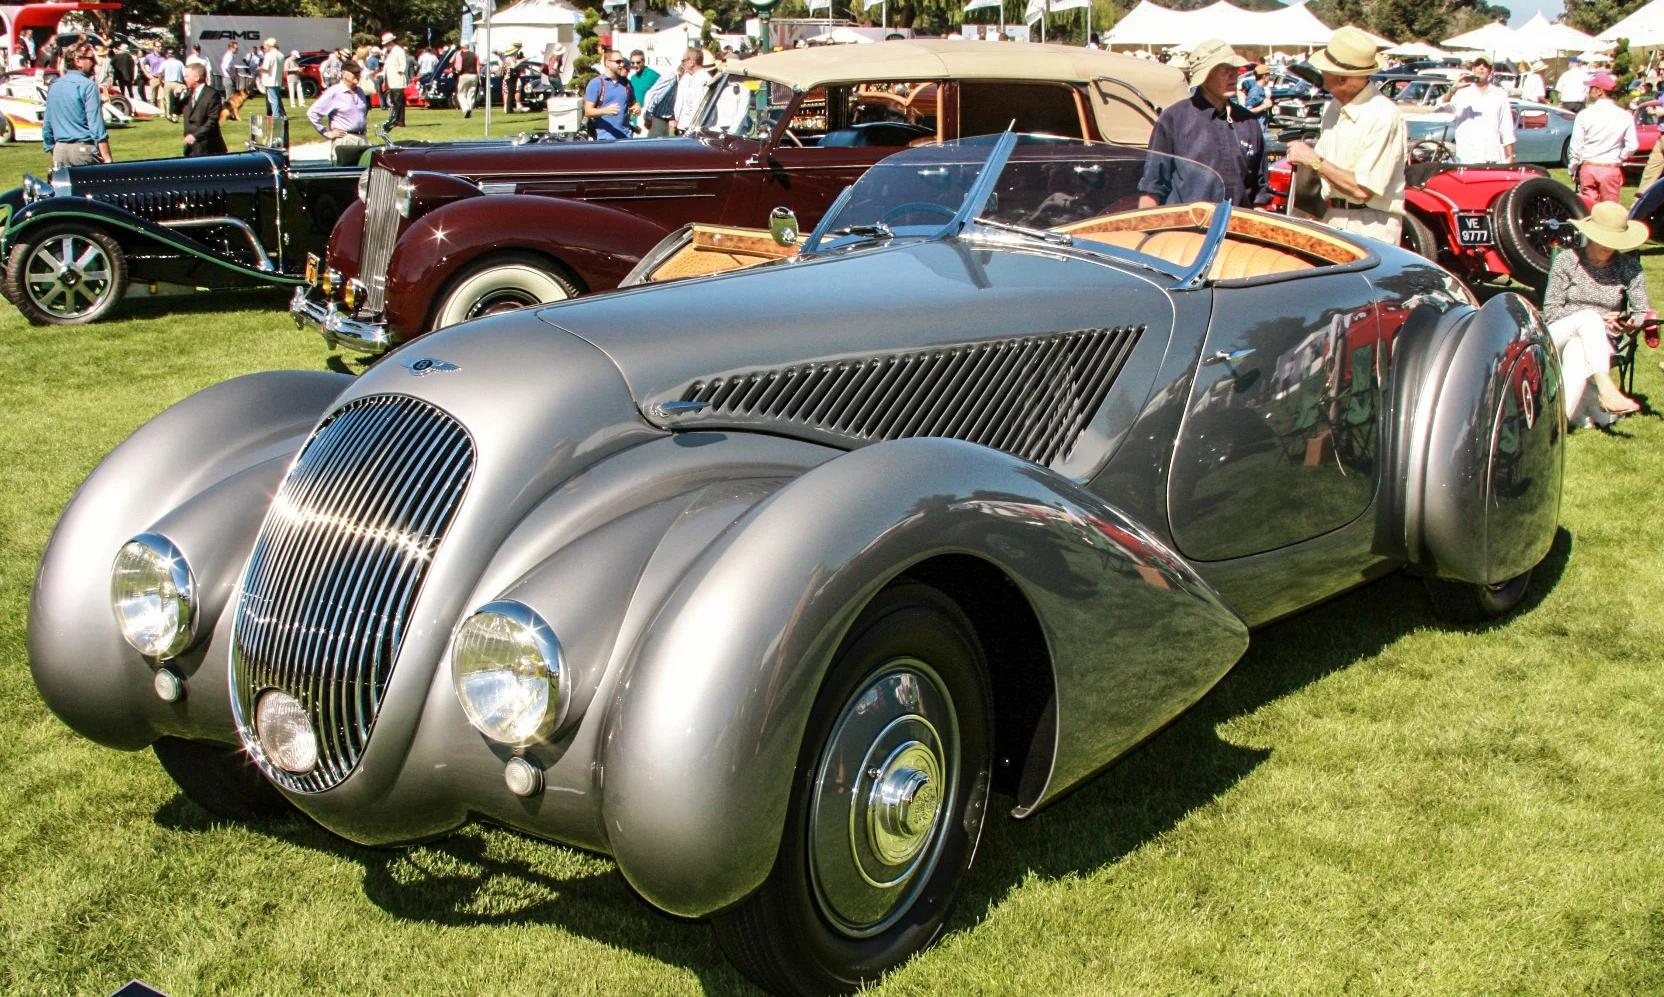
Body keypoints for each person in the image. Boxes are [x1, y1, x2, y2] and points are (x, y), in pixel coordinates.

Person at [1283, 26, 1407, 244]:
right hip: (1331, 217)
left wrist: (1311, 159)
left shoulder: (1383, 115)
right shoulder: (1334, 108)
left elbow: (1362, 190)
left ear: (1342, 80)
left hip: (1370, 225)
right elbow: (1326, 173)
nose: (1321, 74)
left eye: (1326, 70)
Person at [1540, 201, 1648, 423]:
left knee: (1577, 350)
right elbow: (1551, 312)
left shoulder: (1628, 267)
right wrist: (1596, 319)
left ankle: (1560, 421)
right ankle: (1606, 389)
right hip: (1560, 332)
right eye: (1604, 239)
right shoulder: (1567, 261)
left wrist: (1629, 323)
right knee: (1589, 319)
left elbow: (1642, 312)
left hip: (1603, 340)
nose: (1609, 246)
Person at [1138, 39, 1268, 209]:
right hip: (1187, 224)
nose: (1233, 75)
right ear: (1205, 77)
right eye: (1224, 69)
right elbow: (1152, 187)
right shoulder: (1174, 119)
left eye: (1234, 68)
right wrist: (1147, 225)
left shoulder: (1248, 122)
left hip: (1237, 223)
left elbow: (1259, 193)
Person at [1568, 72, 1636, 207]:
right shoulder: (1624, 116)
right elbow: (1632, 145)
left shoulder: (1584, 115)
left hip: (1589, 166)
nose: (1588, 91)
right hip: (1610, 167)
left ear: (1599, 91)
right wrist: (1619, 157)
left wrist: (1573, 168)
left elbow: (1576, 147)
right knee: (1610, 209)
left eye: (1591, 88)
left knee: (1588, 208)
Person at [1434, 57, 1514, 164]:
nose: (1481, 67)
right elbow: (1439, 107)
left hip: (1492, 157)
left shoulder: (1500, 94)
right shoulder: (1461, 93)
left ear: (1490, 71)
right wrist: (1452, 90)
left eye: (1485, 65)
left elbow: (1507, 127)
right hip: (1466, 157)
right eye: (1478, 65)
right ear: (1473, 69)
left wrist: (1510, 155)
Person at [42, 45, 110, 167]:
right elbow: (96, 125)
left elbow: (47, 124)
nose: (95, 62)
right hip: (83, 149)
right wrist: (107, 159)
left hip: (59, 150)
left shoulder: (54, 86)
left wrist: (53, 148)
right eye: (91, 58)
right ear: (78, 60)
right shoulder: (88, 86)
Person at [307, 60, 368, 154]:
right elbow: (312, 113)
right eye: (354, 72)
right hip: (345, 140)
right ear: (344, 74)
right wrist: (326, 133)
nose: (357, 75)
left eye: (358, 72)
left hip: (362, 138)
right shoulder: (334, 92)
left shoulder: (360, 91)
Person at [584, 48, 635, 140]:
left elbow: (633, 103)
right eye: (618, 62)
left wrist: (636, 107)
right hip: (604, 139)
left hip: (625, 137)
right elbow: (588, 111)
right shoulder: (596, 83)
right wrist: (605, 111)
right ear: (607, 63)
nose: (622, 65)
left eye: (622, 62)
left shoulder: (626, 84)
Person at [180, 63, 226, 156]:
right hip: (190, 148)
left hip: (208, 147)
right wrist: (176, 95)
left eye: (187, 76)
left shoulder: (212, 94)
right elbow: (175, 111)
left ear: (196, 77)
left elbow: (212, 121)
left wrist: (195, 136)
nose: (184, 79)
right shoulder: (188, 94)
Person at [671, 47, 713, 134]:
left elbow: (699, 107)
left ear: (691, 62)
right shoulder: (689, 78)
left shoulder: (702, 80)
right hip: (684, 127)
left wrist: (693, 129)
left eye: (684, 61)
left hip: (693, 130)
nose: (682, 64)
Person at [641, 61, 678, 137]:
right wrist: (648, 115)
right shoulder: (671, 78)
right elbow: (652, 94)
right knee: (654, 143)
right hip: (658, 119)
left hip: (668, 120)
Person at [628, 48, 659, 132]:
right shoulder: (633, 78)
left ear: (644, 61)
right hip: (635, 119)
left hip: (648, 119)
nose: (635, 65)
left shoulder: (653, 75)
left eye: (638, 62)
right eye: (633, 63)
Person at [381, 32, 407, 129]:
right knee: (394, 101)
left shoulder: (398, 50)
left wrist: (401, 71)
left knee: (398, 101)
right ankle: (396, 120)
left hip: (397, 80)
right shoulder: (390, 53)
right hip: (391, 80)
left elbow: (403, 62)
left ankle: (400, 122)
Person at [453, 42, 480, 117]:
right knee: (471, 95)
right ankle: (470, 111)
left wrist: (456, 71)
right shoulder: (475, 55)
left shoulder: (460, 55)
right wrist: (479, 77)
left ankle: (466, 109)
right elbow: (478, 67)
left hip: (464, 75)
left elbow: (459, 68)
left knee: (461, 94)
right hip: (474, 75)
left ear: (461, 47)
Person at [259, 37, 284, 116]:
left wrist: (260, 68)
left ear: (269, 45)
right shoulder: (281, 55)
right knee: (276, 98)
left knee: (273, 99)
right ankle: (278, 114)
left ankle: (276, 116)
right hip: (277, 79)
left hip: (269, 80)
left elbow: (266, 68)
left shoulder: (269, 55)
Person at [159, 48, 185, 121]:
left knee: (168, 100)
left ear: (168, 55)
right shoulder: (180, 63)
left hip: (168, 83)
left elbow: (159, 73)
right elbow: (184, 74)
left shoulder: (164, 63)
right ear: (175, 55)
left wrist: (161, 81)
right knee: (176, 100)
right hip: (178, 83)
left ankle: (169, 114)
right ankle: (175, 113)